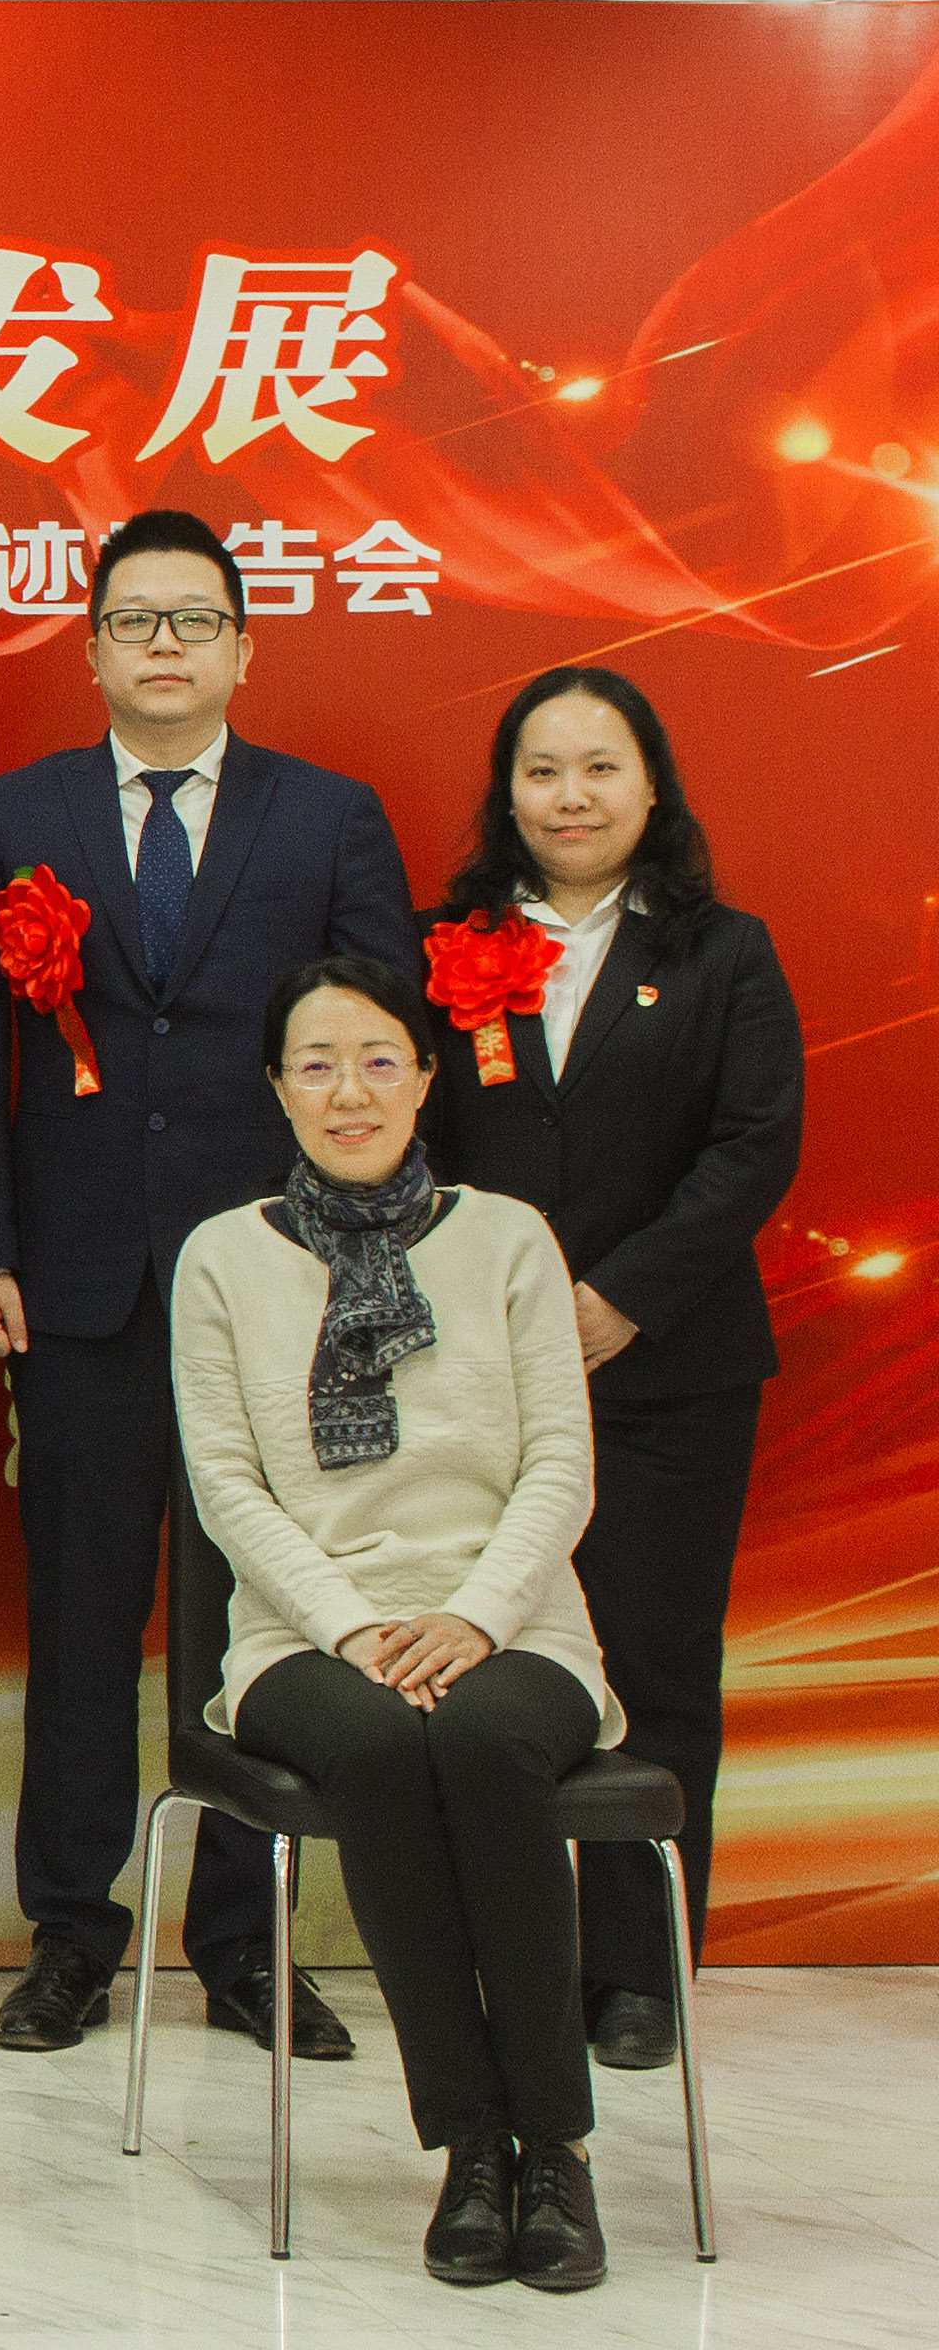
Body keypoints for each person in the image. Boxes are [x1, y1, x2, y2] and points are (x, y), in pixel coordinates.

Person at [0, 508, 423, 2057]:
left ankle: (247, 1947)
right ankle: (73, 1933)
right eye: (134, 619)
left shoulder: (328, 818)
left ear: (242, 649)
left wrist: (363, 1264)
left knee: (255, 1624)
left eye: (194, 619)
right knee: (81, 1624)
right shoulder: (17, 813)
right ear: (90, 649)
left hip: (281, 1290)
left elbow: (384, 1051)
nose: (163, 644)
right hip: (78, 1287)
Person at [176, 955, 617, 2291]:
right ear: (277, 1087)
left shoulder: (509, 1237)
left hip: (516, 1619)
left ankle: (557, 2149)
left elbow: (562, 1466)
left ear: (427, 1077)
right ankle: (472, 2142)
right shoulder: (221, 1257)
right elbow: (227, 1486)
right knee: (375, 1743)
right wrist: (354, 1628)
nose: (349, 1092)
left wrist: (475, 1617)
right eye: (316, 1065)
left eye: (378, 1060)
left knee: (480, 1740)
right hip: (306, 1635)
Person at [420, 668, 801, 2074]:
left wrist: (623, 1297)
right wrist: (500, 1308)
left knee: (656, 1664)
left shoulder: (724, 952)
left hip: (669, 1370)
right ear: (506, 791)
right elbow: (408, 1142)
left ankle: (641, 1973)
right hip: (480, 1370)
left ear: (651, 788)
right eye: (542, 771)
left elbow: (754, 1144)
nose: (569, 798)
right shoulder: (450, 944)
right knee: (483, 1662)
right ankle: (498, 1954)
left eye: (599, 769)